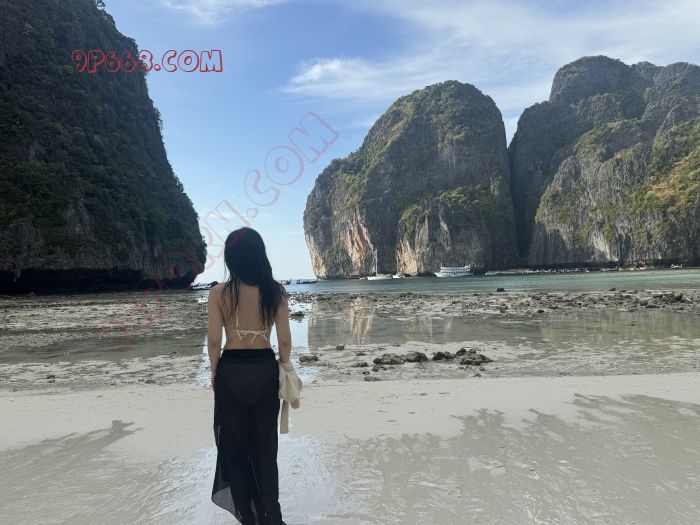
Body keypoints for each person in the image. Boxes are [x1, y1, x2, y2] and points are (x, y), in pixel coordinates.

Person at [207, 227, 291, 525]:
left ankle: (248, 517)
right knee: (266, 449)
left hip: (230, 371)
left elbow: (214, 342)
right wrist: (284, 367)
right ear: (260, 254)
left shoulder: (218, 293)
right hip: (264, 370)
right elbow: (284, 341)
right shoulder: (274, 291)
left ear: (231, 258)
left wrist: (214, 373)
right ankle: (272, 515)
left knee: (235, 450)